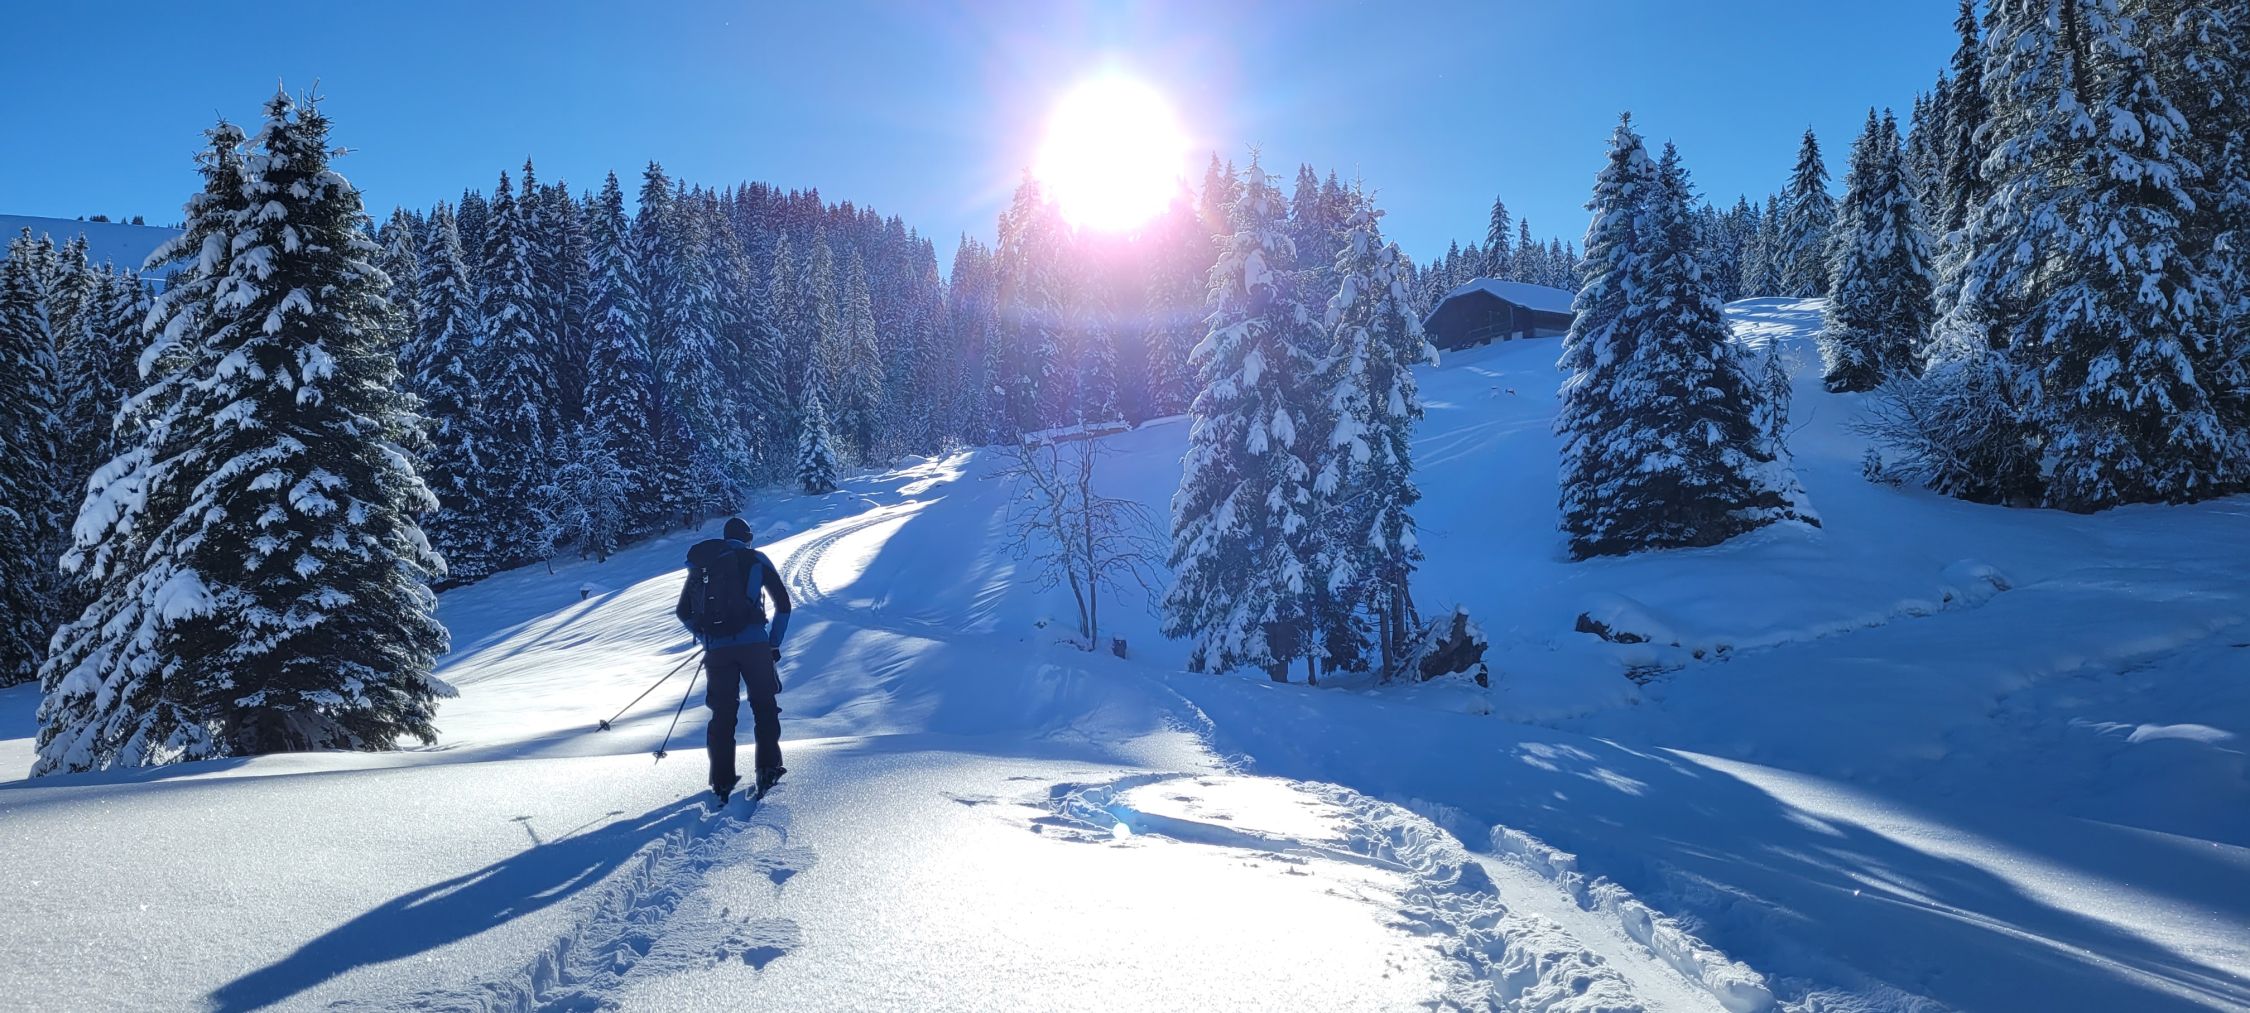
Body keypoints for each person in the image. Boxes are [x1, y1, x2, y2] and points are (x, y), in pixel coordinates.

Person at [675, 516, 793, 801]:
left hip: (718, 651)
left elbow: (683, 612)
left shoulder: (706, 564)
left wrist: (707, 638)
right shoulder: (756, 559)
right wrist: (773, 644)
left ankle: (722, 781)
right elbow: (784, 605)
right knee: (764, 706)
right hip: (755, 647)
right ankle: (768, 769)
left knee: (722, 713)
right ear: (747, 537)